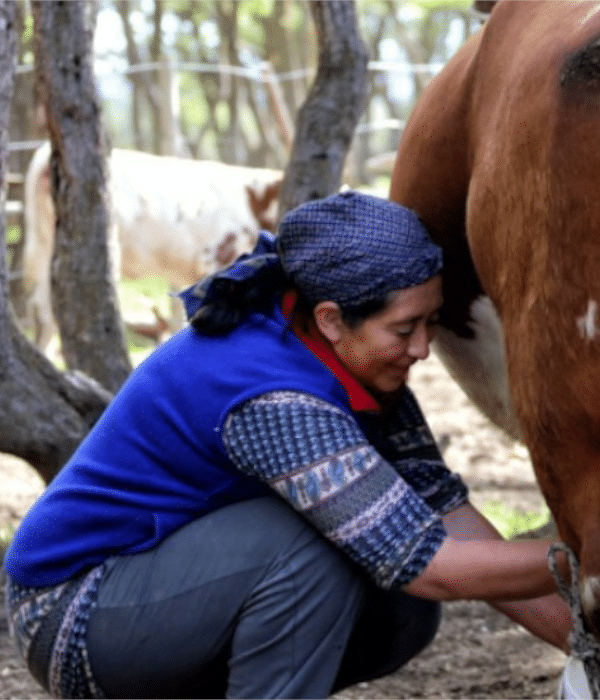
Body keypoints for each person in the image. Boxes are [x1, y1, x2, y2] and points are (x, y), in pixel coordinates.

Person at [3, 191, 572, 699]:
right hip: (71, 618)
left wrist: (582, 636)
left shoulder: (355, 362)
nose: (422, 349)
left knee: (403, 601)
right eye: (405, 330)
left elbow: (444, 516)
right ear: (331, 319)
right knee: (327, 550)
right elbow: (430, 566)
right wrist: (582, 560)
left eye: (431, 323)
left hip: (160, 591)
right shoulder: (274, 396)